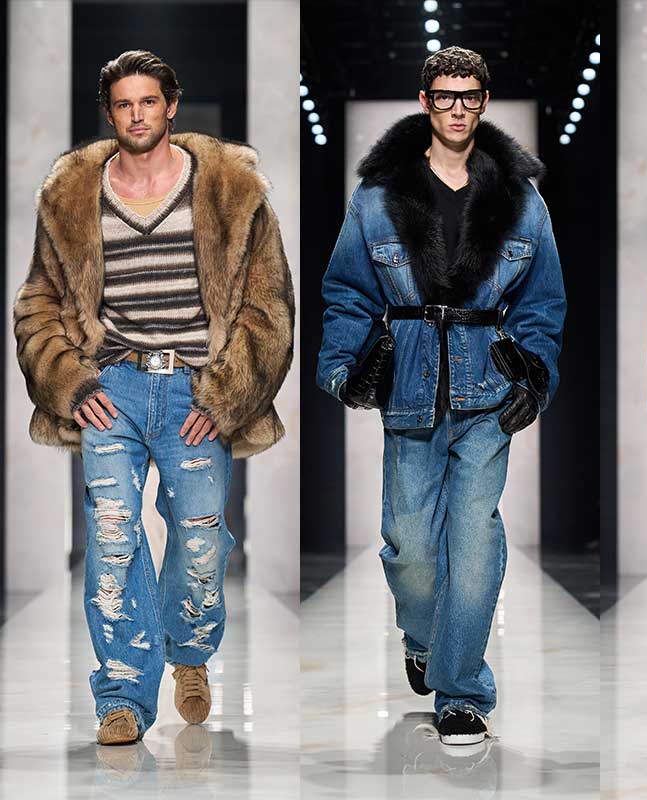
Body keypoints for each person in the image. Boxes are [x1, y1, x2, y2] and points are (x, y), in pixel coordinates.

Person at [13, 50, 294, 745]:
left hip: (198, 392)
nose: (136, 115)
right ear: (109, 114)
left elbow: (268, 307)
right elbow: (38, 303)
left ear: (171, 105)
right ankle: (121, 695)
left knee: (201, 539)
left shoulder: (231, 190)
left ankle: (189, 654)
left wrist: (226, 396)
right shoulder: (71, 196)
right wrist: (69, 382)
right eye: (123, 104)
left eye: (148, 101)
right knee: (112, 539)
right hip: (112, 388)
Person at [316, 46, 566, 746]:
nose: (458, 108)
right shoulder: (376, 198)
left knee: (475, 541)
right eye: (446, 95)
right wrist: (343, 368)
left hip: (488, 388)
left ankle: (462, 692)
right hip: (411, 387)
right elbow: (346, 292)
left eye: (470, 95)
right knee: (409, 549)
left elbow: (544, 301)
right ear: (425, 101)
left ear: (484, 101)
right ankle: (424, 640)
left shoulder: (522, 200)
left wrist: (534, 373)